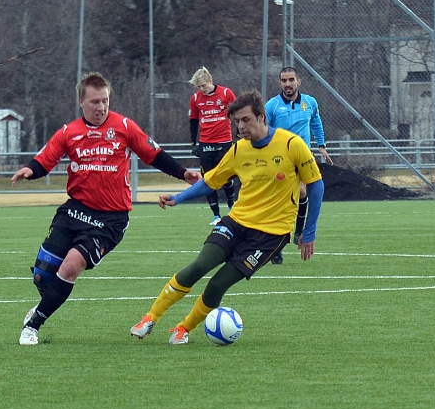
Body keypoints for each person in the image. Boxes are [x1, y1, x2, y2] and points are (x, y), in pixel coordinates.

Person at [11, 72, 201, 346]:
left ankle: (33, 326)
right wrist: (30, 170)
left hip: (109, 220)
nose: (101, 107)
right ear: (81, 102)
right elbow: (46, 158)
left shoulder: (124, 127)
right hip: (74, 211)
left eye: (105, 101)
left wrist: (183, 173)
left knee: (71, 266)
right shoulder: (69, 132)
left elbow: (154, 154)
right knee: (42, 275)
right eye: (95, 102)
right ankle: (46, 304)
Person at [130, 91, 324, 344]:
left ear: (262, 117)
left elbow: (316, 184)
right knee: (198, 267)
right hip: (236, 222)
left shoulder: (291, 145)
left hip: (271, 234)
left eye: (245, 120)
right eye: (237, 122)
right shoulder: (238, 150)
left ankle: (183, 328)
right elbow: (210, 182)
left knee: (218, 284)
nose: (240, 127)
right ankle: (150, 318)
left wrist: (309, 231)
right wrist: (178, 197)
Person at [264, 67, 333, 264]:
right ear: (280, 83)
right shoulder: (272, 106)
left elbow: (316, 122)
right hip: (279, 158)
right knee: (281, 203)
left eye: (291, 80)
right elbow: (263, 129)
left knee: (302, 192)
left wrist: (321, 146)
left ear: (298, 82)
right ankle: (276, 245)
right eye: (284, 80)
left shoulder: (309, 102)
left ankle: (299, 231)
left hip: (303, 156)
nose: (288, 84)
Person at [188, 67, 237, 225]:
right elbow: (193, 120)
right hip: (206, 143)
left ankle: (231, 205)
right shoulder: (196, 98)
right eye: (199, 87)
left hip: (224, 142)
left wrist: (239, 135)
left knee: (226, 177)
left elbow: (238, 113)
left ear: (210, 80)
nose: (202, 89)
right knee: (208, 179)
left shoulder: (226, 93)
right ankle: (216, 215)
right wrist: (193, 143)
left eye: (203, 85)